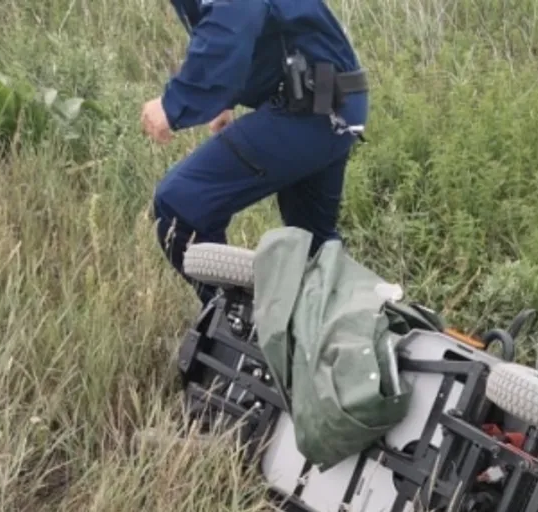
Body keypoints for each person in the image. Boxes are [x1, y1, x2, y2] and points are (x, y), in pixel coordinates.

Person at [141, 0, 369, 304]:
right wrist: (226, 98)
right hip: (327, 103)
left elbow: (236, 14)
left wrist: (176, 103)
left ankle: (245, 330)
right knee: (314, 247)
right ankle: (344, 333)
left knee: (181, 204)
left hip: (311, 110)